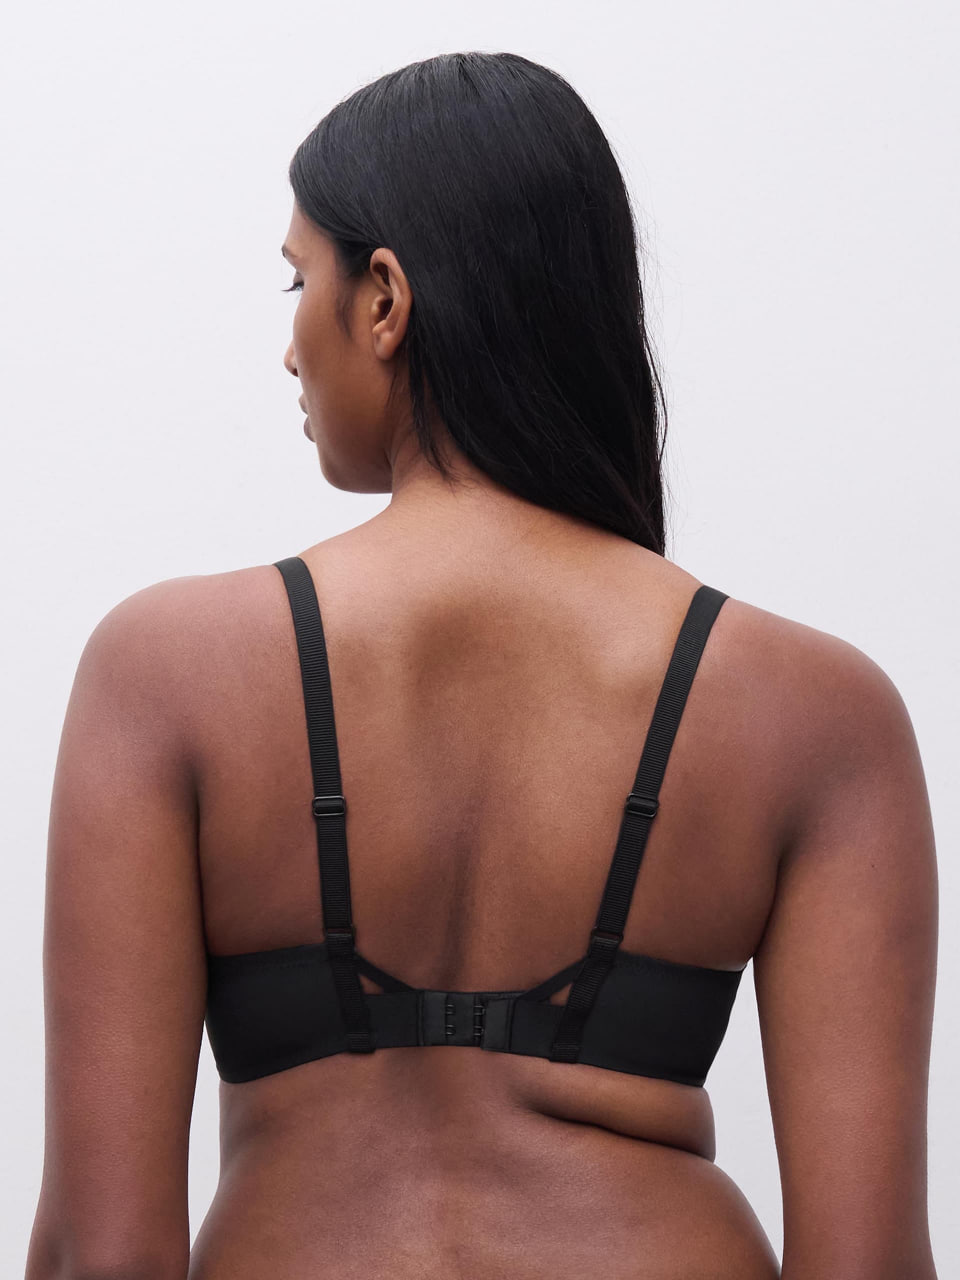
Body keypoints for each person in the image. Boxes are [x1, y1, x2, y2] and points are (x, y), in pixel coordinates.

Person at [25, 50, 938, 1280]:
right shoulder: (819, 715)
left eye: (298, 278)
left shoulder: (166, 674)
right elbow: (869, 1266)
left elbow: (100, 1254)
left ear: (384, 299)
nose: (289, 348)